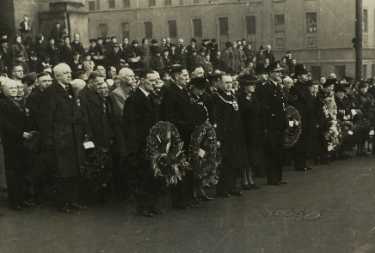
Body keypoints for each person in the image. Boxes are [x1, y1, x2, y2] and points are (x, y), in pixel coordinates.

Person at [40, 63, 88, 213]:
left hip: (73, 136)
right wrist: (50, 140)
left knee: (74, 171)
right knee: (62, 172)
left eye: (69, 72)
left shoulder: (71, 89)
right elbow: (47, 119)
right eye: (65, 73)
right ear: (57, 75)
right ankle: (62, 203)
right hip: (60, 138)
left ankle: (73, 200)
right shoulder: (51, 92)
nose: (69, 75)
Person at [123, 70, 160, 217]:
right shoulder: (134, 99)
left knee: (152, 175)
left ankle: (151, 204)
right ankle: (143, 206)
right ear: (143, 81)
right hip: (141, 145)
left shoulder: (151, 97)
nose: (155, 84)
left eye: (156, 81)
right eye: (152, 81)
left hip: (152, 143)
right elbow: (130, 126)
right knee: (143, 175)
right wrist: (136, 147)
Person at [161, 64, 194, 209]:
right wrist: (186, 124)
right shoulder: (169, 91)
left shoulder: (184, 91)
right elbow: (169, 116)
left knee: (185, 165)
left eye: (187, 76)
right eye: (184, 75)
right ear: (176, 76)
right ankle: (178, 199)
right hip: (177, 135)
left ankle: (186, 196)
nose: (187, 78)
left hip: (186, 134)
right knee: (177, 167)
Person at [0, 78, 36, 210]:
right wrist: (21, 133)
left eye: (15, 88)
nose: (14, 91)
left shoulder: (19, 103)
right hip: (11, 142)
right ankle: (14, 201)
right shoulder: (3, 104)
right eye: (11, 89)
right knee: (13, 172)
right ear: (4, 91)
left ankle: (22, 199)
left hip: (22, 141)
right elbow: (5, 124)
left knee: (22, 170)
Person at [211, 74, 248, 197]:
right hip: (224, 135)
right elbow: (216, 119)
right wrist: (218, 137)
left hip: (236, 135)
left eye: (230, 82)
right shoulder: (216, 98)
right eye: (226, 82)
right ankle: (222, 189)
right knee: (225, 162)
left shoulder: (232, 96)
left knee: (235, 161)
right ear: (220, 83)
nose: (229, 85)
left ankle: (233, 187)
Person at [259, 62, 287, 185]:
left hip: (280, 124)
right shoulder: (266, 87)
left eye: (280, 72)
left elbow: (282, 106)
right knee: (272, 151)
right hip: (271, 125)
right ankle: (272, 178)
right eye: (277, 72)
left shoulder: (278, 87)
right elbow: (265, 108)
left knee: (279, 151)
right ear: (270, 73)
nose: (280, 74)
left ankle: (278, 177)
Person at [237, 75, 262, 189]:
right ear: (245, 87)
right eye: (251, 85)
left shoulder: (255, 98)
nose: (253, 87)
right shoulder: (240, 98)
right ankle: (244, 179)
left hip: (254, 130)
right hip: (244, 130)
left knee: (252, 155)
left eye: (253, 84)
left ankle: (251, 178)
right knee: (245, 155)